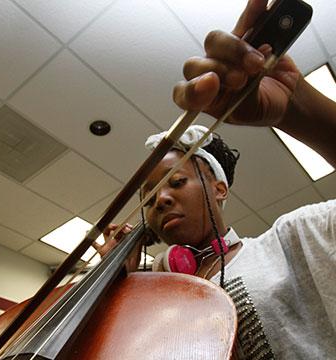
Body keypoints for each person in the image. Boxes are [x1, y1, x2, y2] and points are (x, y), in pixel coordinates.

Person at [96, 0, 336, 358]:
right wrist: (114, 290)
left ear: (219, 188)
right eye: (149, 197)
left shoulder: (291, 241)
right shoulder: (146, 297)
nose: (160, 199)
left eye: (176, 182)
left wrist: (296, 107)